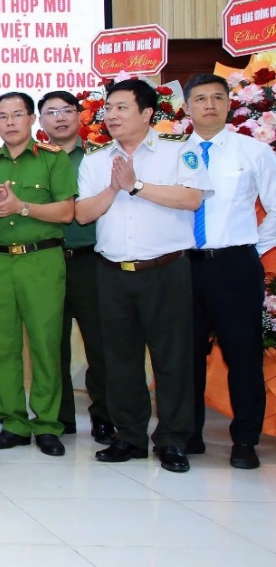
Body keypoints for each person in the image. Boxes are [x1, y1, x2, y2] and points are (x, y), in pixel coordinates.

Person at [76, 79, 210, 473]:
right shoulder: (95, 159)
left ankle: (172, 439)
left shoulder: (179, 151)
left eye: (121, 108)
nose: (111, 115)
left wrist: (135, 185)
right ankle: (129, 437)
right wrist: (116, 188)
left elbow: (192, 198)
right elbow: (84, 214)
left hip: (165, 269)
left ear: (147, 113)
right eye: (108, 108)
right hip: (113, 271)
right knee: (120, 360)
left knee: (172, 359)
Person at [0, 92, 76, 457]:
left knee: (46, 344)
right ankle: (12, 422)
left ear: (32, 119)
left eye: (18, 115)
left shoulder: (52, 160)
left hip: (40, 261)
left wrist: (21, 207)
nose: (10, 122)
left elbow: (65, 212)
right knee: (1, 345)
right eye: (3, 116)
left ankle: (47, 424)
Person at [183, 73, 276, 469]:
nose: (209, 105)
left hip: (235, 264)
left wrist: (250, 248)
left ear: (228, 104)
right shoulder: (170, 153)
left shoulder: (253, 152)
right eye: (200, 98)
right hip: (182, 265)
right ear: (186, 107)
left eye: (217, 98)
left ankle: (245, 441)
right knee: (184, 355)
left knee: (243, 354)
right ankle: (187, 434)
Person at [38, 91, 114, 444]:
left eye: (67, 110)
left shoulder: (99, 157)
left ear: (79, 116)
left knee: (99, 342)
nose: (60, 118)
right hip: (46, 260)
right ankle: (60, 416)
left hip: (89, 261)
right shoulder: (35, 161)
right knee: (51, 344)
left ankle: (103, 416)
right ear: (40, 121)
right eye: (51, 112)